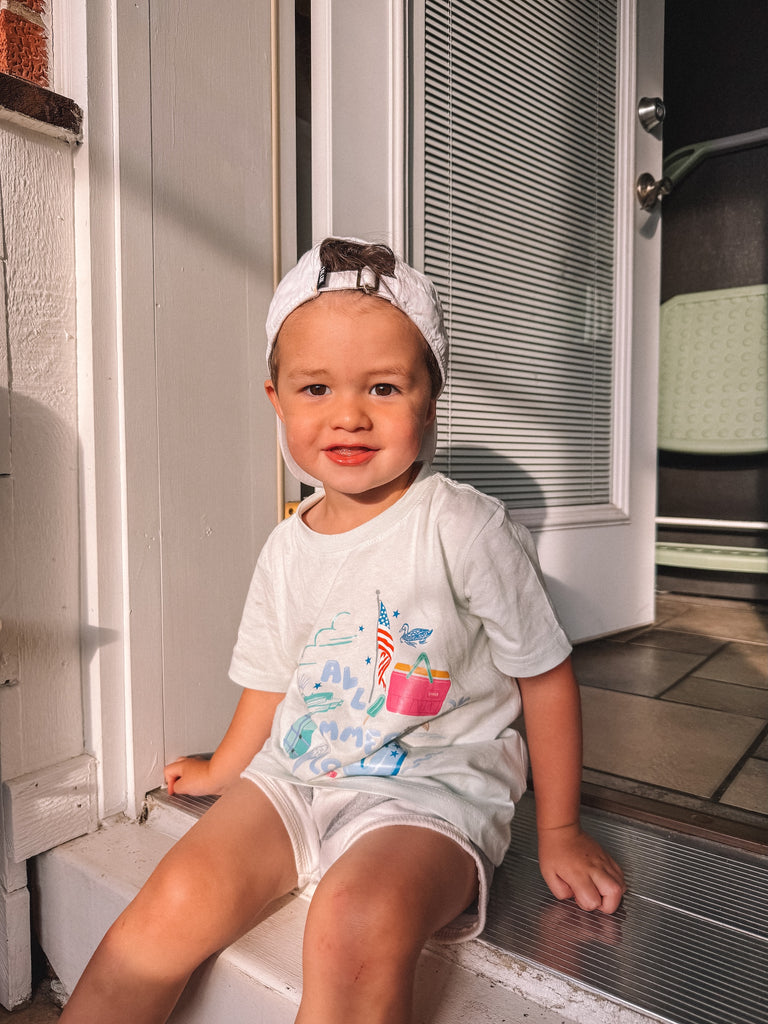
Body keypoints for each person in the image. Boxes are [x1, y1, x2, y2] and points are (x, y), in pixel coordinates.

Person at [60, 237, 625, 1024]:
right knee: (167, 906)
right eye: (316, 387)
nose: (349, 414)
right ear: (277, 399)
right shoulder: (287, 545)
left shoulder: (464, 527)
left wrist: (559, 827)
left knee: (355, 922)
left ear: (431, 398)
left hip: (430, 795)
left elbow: (546, 674)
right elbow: (271, 678)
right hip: (296, 777)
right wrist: (226, 767)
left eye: (384, 387)